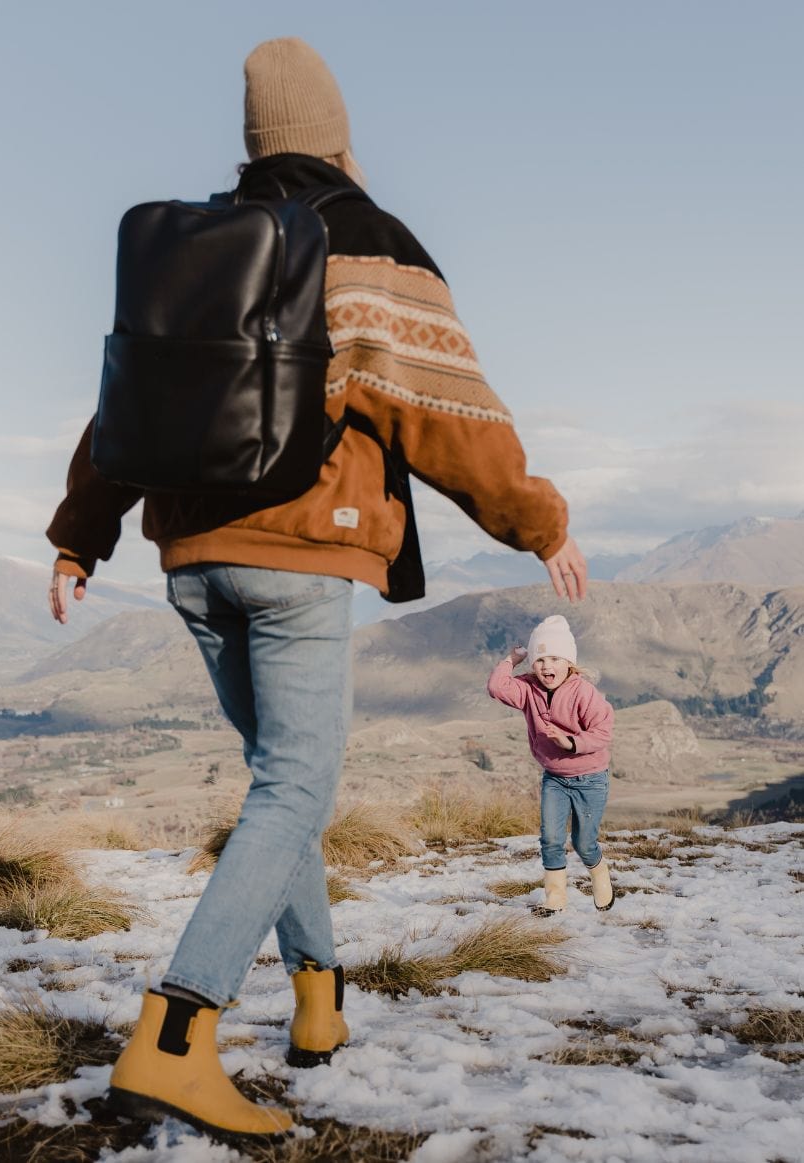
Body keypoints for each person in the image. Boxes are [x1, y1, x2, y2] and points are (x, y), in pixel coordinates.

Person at [47, 36, 588, 1142]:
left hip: (189, 558)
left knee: (274, 782)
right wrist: (537, 520)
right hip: (301, 552)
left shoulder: (198, 249)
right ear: (339, 135)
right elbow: (443, 412)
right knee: (297, 787)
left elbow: (123, 404)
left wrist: (79, 533)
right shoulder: (361, 242)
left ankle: (317, 1002)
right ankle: (176, 1033)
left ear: (251, 142)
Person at [487, 614, 615, 916]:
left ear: (569, 663)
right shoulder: (528, 689)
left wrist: (570, 743)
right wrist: (511, 659)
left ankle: (599, 873)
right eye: (540, 659)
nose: (547, 666)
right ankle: (555, 899)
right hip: (555, 778)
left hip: (590, 778)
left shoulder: (583, 692)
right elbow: (496, 687)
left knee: (584, 843)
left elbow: (603, 732)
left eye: (555, 658)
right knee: (551, 839)